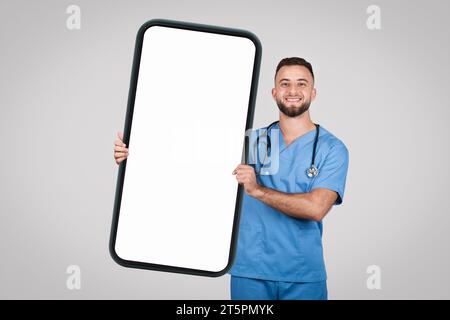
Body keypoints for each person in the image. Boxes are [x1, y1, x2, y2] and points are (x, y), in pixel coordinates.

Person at [113, 57, 349, 300]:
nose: (293, 91)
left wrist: (257, 190)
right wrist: (135, 154)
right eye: (285, 83)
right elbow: (189, 164)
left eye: (301, 84)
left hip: (303, 275)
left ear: (313, 91)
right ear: (274, 92)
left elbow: (316, 208)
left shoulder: (332, 149)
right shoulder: (251, 141)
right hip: (251, 273)